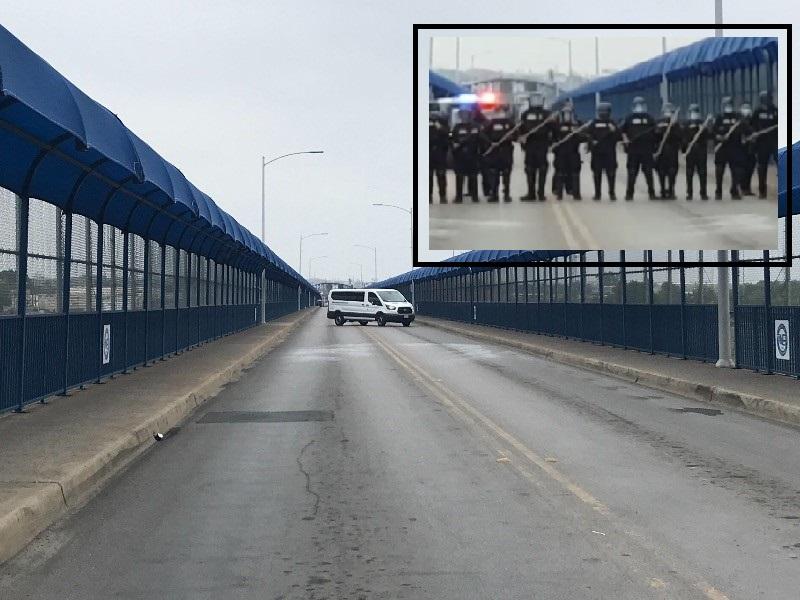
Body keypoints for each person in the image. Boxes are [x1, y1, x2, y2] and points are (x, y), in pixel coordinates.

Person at [518, 92, 555, 201]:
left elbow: (554, 129)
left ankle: (541, 193)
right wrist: (522, 144)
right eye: (534, 99)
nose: (536, 101)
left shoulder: (547, 115)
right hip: (530, 145)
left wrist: (551, 143)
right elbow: (520, 131)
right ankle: (531, 193)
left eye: (538, 99)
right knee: (529, 169)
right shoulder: (525, 114)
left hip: (542, 144)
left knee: (542, 168)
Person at [620, 96, 657, 200]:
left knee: (649, 172)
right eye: (637, 105)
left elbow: (655, 132)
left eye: (641, 105)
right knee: (632, 172)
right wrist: (625, 139)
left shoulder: (649, 118)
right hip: (633, 150)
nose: (639, 107)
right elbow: (622, 131)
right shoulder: (629, 118)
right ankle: (629, 194)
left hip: (647, 149)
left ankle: (652, 193)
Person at [712, 96, 747, 200]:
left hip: (735, 147)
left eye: (730, 105)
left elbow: (745, 129)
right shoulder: (719, 117)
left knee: (736, 171)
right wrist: (718, 136)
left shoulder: (738, 118)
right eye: (726, 105)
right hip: (722, 148)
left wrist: (747, 136)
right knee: (719, 170)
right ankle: (718, 191)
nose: (728, 107)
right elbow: (713, 132)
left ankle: (734, 190)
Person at [586, 101, 620, 201]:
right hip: (597, 153)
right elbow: (588, 135)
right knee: (597, 174)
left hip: (609, 153)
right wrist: (592, 141)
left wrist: (614, 131)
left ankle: (612, 193)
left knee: (611, 174)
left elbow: (618, 137)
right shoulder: (594, 123)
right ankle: (597, 193)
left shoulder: (612, 124)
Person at [481, 104, 515, 202]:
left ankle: (507, 194)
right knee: (494, 173)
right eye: (497, 111)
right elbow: (483, 134)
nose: (499, 114)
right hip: (494, 152)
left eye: (501, 111)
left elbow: (516, 134)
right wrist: (490, 142)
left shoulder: (509, 123)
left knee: (506, 173)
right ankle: (494, 194)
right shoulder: (490, 123)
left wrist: (512, 138)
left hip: (506, 150)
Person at [551, 103, 584, 200]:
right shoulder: (556, 124)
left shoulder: (578, 124)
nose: (567, 114)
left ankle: (574, 191)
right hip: (560, 152)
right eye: (565, 112)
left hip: (573, 151)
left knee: (574, 172)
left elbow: (584, 136)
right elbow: (552, 137)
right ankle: (558, 191)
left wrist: (576, 132)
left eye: (569, 112)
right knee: (560, 171)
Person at [749, 90, 778, 198]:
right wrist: (754, 133)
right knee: (762, 167)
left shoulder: (775, 111)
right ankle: (762, 191)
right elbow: (751, 125)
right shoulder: (757, 111)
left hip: (774, 141)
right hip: (762, 143)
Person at [449, 109, 481, 203]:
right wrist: (453, 145)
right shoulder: (457, 127)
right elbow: (451, 138)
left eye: (466, 114)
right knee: (459, 176)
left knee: (473, 176)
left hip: (473, 155)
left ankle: (475, 197)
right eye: (462, 115)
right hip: (460, 156)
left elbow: (480, 139)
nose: (464, 117)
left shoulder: (475, 127)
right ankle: (459, 197)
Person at [653, 102, 682, 199]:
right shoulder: (658, 122)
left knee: (672, 171)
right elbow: (655, 135)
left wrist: (673, 127)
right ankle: (663, 190)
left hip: (672, 149)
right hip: (661, 149)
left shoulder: (675, 124)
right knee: (661, 171)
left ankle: (671, 190)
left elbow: (679, 137)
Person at [681, 103, 710, 201]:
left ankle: (703, 193)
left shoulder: (703, 123)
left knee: (702, 173)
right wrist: (684, 150)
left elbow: (708, 136)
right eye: (693, 112)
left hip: (701, 150)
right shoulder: (686, 124)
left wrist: (704, 129)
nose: (694, 114)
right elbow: (683, 138)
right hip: (690, 151)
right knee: (689, 173)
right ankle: (689, 193)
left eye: (696, 112)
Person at [429, 111, 449, 203]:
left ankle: (443, 196)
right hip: (428, 154)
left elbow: (446, 133)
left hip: (440, 154)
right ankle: (428, 196)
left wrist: (438, 124)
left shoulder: (442, 124)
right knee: (428, 177)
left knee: (441, 176)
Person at [738, 102, 756, 196]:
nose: (746, 110)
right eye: (744, 108)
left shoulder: (752, 120)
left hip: (751, 148)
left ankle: (747, 188)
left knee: (750, 168)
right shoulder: (738, 119)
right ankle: (742, 187)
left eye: (748, 108)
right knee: (742, 169)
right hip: (741, 149)